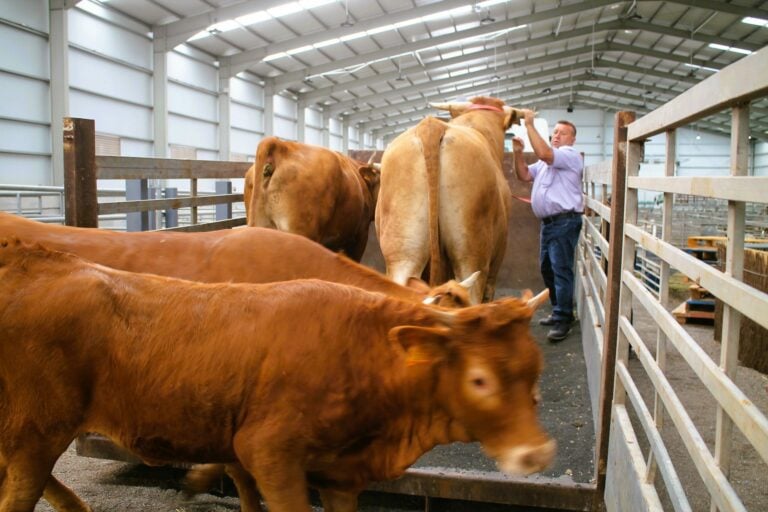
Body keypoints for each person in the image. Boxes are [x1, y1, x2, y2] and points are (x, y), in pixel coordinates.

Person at [512, 110, 583, 342]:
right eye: (555, 132)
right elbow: (523, 175)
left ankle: (564, 318)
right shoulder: (545, 165)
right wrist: (518, 153)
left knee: (561, 270)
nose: (556, 136)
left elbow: (544, 152)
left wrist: (529, 124)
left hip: (564, 222)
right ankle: (558, 310)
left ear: (572, 139)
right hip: (550, 224)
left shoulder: (569, 156)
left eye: (562, 133)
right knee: (548, 269)